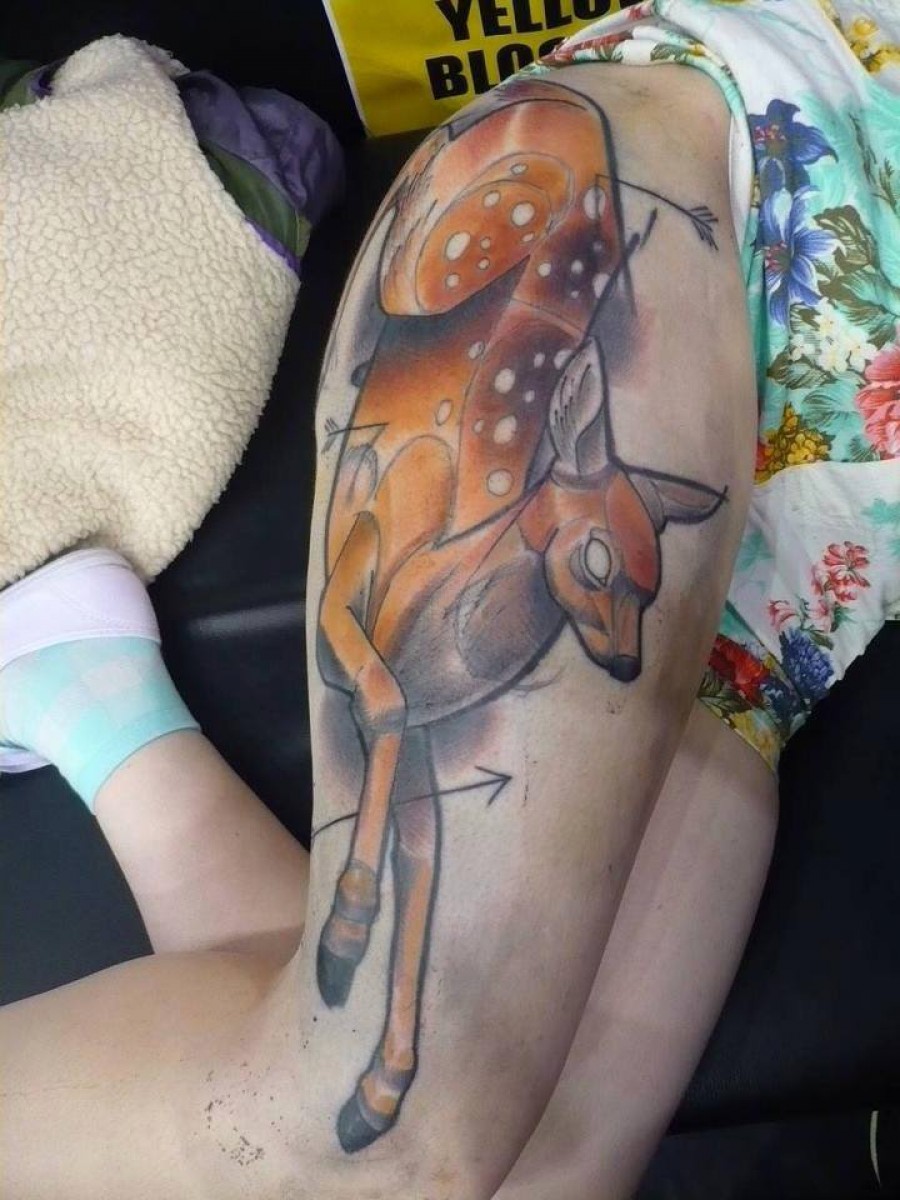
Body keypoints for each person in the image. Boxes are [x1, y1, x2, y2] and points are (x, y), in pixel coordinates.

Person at [1, 2, 898, 1197]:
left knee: (542, 1175)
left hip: (825, 544)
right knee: (380, 1147)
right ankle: (92, 695)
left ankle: (94, 695)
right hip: (735, 188)